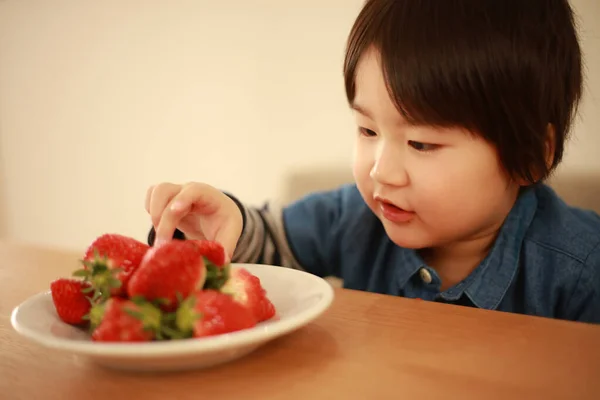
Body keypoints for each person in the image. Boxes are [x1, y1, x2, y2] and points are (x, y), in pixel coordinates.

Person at [144, 0, 600, 323]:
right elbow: (270, 246)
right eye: (368, 131)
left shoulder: (582, 271)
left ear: (530, 158)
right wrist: (227, 223)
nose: (381, 171)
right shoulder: (353, 217)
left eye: (421, 143)